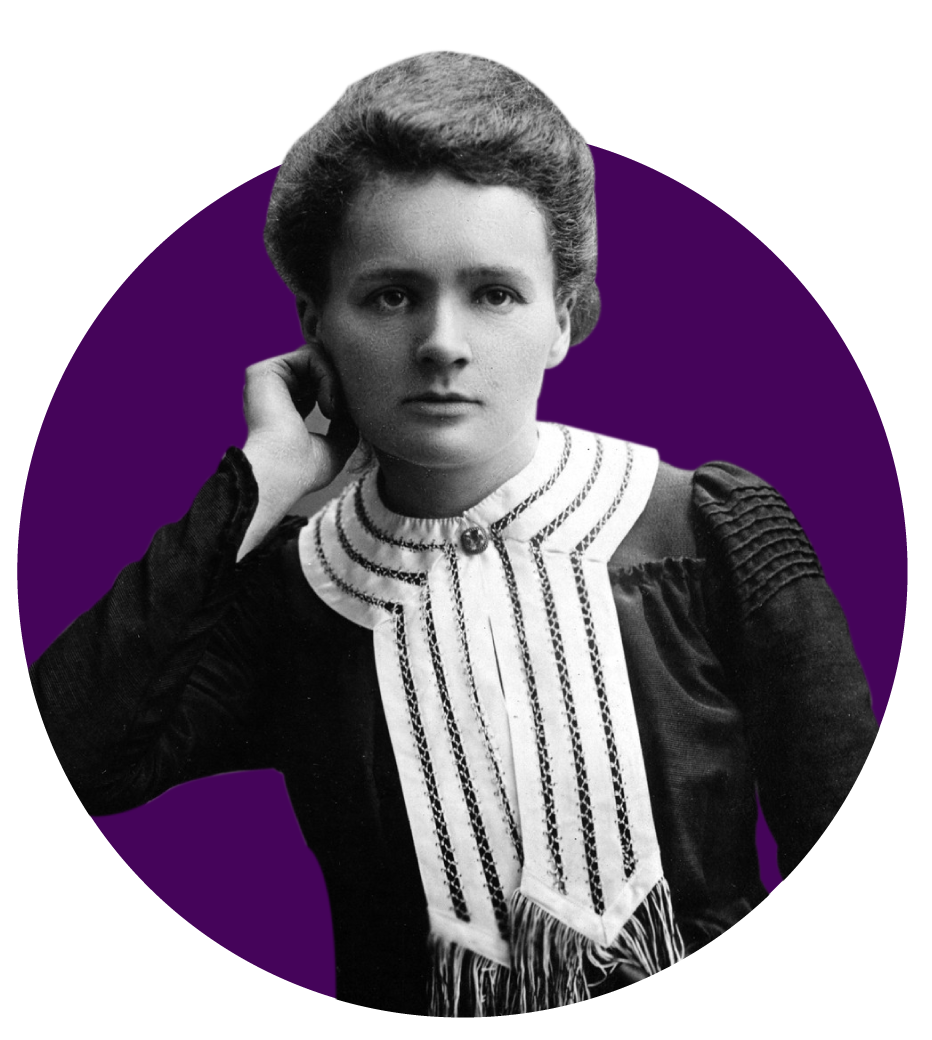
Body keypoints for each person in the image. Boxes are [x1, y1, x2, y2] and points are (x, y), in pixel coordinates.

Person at [29, 51, 878, 1016]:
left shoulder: (707, 533)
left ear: (562, 321)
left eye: (494, 293)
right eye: (391, 295)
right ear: (316, 326)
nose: (442, 343)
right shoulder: (296, 594)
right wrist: (263, 480)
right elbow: (81, 754)